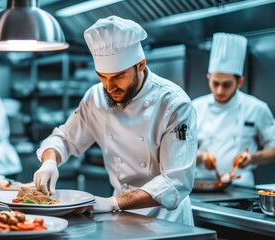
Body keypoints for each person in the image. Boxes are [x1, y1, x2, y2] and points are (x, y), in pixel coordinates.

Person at [33, 16, 197, 226]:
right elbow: (64, 138)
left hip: (167, 220)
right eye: (102, 76)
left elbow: (176, 181)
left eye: (118, 76)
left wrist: (112, 203)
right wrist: (49, 161)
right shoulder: (96, 97)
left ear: (141, 65)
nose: (109, 87)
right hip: (121, 217)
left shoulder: (173, 103)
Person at [193, 33, 275, 187]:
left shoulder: (256, 108)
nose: (219, 90)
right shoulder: (195, 107)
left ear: (240, 82)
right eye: (215, 83)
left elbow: (273, 148)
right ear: (208, 77)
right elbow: (179, 149)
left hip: (241, 185)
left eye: (226, 84)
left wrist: (252, 157)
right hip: (203, 184)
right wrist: (200, 157)